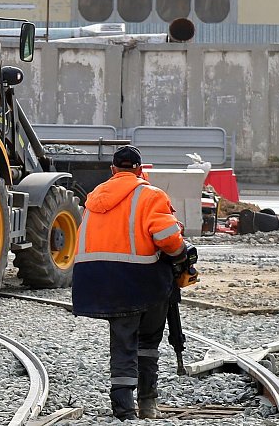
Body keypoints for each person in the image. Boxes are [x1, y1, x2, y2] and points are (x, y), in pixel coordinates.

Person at [72, 145, 190, 420]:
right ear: (140, 169)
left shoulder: (94, 197)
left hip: (97, 278)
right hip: (140, 278)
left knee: (123, 341)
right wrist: (182, 254)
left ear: (112, 170)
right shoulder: (151, 195)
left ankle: (123, 408)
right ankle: (147, 403)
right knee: (147, 341)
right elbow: (168, 239)